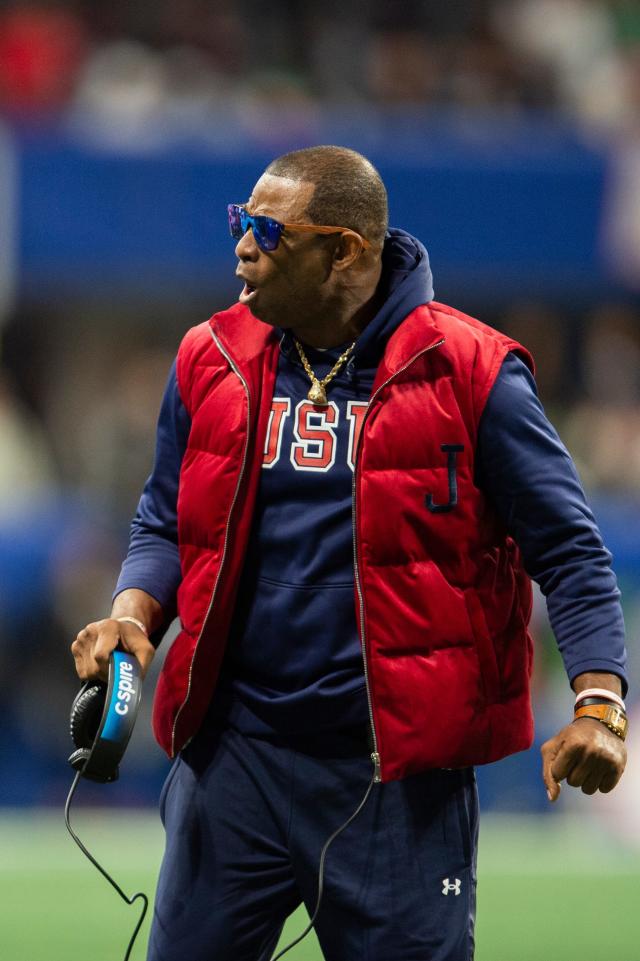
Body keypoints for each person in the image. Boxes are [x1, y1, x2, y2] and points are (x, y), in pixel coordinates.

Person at [71, 146, 628, 961]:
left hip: (394, 779)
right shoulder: (209, 356)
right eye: (240, 220)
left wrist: (600, 703)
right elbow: (162, 517)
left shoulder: (473, 371)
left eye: (267, 229)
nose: (242, 246)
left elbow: (572, 552)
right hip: (235, 759)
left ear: (344, 251)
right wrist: (133, 612)